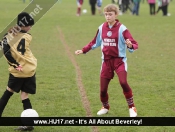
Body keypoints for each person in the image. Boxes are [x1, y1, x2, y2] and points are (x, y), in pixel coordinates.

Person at [75, 4, 138, 117]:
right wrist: (83, 50)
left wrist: (130, 45)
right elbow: (94, 42)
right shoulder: (102, 27)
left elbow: (134, 43)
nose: (108, 16)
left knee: (123, 82)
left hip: (119, 61)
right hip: (106, 61)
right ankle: (105, 107)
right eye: (106, 14)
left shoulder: (122, 28)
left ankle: (132, 107)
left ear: (116, 15)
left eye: (110, 14)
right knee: (103, 89)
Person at [0, 12, 37, 131]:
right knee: (24, 95)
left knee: (8, 93)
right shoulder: (28, 36)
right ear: (24, 25)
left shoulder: (7, 37)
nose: (30, 28)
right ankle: (29, 124)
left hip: (19, 70)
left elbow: (5, 51)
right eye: (29, 25)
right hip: (30, 69)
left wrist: (15, 65)